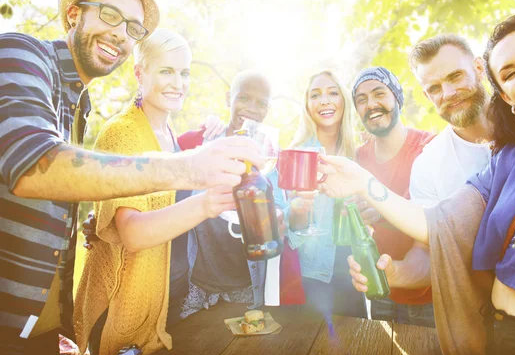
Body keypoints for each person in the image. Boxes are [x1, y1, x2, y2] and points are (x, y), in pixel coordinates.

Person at [0, 0, 263, 355]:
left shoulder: (79, 105)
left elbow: (62, 205)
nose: (120, 33)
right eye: (109, 15)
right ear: (74, 14)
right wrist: (191, 172)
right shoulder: (20, 52)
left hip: (37, 325)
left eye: (132, 27)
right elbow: (33, 166)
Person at [320, 10, 515, 355]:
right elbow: (441, 223)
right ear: (507, 93)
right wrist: (363, 183)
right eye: (511, 72)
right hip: (494, 337)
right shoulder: (512, 158)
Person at [178, 71, 282, 316]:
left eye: (262, 103)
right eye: (244, 98)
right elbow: (161, 192)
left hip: (245, 284)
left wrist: (278, 216)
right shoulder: (200, 143)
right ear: (229, 99)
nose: (252, 109)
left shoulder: (269, 157)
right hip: (196, 285)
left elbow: (281, 210)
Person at [270, 71, 367, 318]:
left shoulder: (361, 154)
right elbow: (291, 235)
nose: (324, 100)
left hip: (353, 274)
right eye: (316, 95)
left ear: (344, 101)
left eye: (333, 93)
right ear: (307, 106)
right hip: (310, 277)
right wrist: (300, 208)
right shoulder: (293, 157)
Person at [350, 67, 436, 327]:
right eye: (361, 100)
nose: (371, 104)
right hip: (380, 289)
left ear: (397, 97)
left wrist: (379, 210)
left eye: (379, 94)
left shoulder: (429, 148)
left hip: (430, 295)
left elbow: (434, 223)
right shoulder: (358, 158)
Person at [408, 34, 492, 206]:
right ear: (427, 96)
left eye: (455, 76)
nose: (448, 93)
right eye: (434, 88)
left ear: (479, 68)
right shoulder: (427, 168)